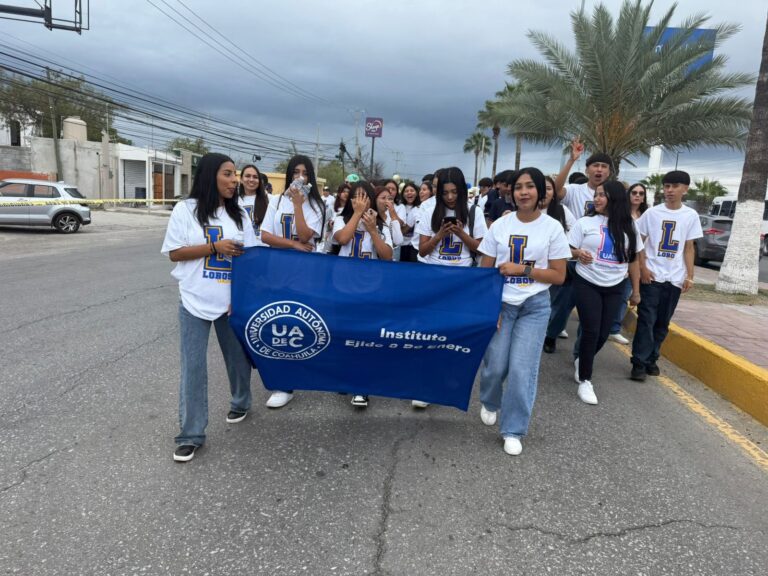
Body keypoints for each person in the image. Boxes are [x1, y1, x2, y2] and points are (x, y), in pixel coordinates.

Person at [161, 153, 258, 463]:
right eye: (228, 174)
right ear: (210, 176)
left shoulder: (240, 214)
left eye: (236, 175)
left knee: (237, 360)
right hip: (193, 299)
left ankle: (241, 401)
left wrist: (242, 297)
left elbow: (253, 261)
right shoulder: (185, 210)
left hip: (230, 302)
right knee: (193, 367)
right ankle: (191, 434)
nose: (235, 180)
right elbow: (175, 253)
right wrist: (214, 247)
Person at [477, 167, 571, 456]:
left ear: (540, 193)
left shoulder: (552, 227)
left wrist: (524, 270)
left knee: (521, 369)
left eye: (530, 186)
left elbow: (559, 276)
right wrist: (490, 308)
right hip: (502, 304)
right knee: (496, 366)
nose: (524, 192)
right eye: (519, 187)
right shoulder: (499, 227)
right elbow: (486, 269)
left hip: (535, 307)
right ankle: (490, 400)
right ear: (511, 192)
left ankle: (513, 429)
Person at [260, 155, 326, 408]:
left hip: (305, 272)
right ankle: (284, 383)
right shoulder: (275, 201)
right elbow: (266, 235)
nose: (300, 177)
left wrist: (299, 205)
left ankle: (304, 367)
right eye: (296, 172)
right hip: (278, 269)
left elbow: (309, 235)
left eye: (305, 173)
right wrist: (293, 245)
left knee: (301, 321)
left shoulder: (317, 205)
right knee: (279, 322)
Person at [569, 180, 642, 404]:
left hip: (615, 285)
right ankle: (585, 380)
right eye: (596, 195)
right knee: (591, 329)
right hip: (587, 281)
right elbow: (567, 249)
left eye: (602, 195)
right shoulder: (584, 222)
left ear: (615, 198)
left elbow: (634, 260)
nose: (597, 199)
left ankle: (583, 358)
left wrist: (636, 291)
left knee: (603, 333)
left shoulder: (629, 225)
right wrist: (578, 253)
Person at [630, 171, 702, 381]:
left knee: (662, 322)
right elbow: (639, 242)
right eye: (667, 186)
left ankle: (652, 358)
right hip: (652, 276)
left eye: (675, 186)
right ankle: (639, 363)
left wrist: (690, 275)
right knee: (646, 319)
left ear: (685, 189)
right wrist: (643, 267)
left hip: (675, 278)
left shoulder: (690, 216)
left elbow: (689, 247)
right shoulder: (652, 214)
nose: (669, 190)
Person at [543, 139, 613, 352]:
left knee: (591, 313)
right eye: (595, 166)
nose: (599, 170)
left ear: (609, 172)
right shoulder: (574, 189)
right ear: (588, 169)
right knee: (563, 304)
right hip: (572, 259)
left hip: (599, 262)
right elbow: (555, 189)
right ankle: (551, 334)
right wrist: (571, 160)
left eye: (603, 167)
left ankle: (582, 352)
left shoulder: (613, 194)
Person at [333, 183, 394, 407]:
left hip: (371, 288)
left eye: (364, 197)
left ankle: (362, 386)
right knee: (343, 333)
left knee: (365, 336)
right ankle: (345, 376)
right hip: (343, 285)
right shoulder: (340, 218)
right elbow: (342, 239)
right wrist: (357, 214)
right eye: (356, 197)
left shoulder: (381, 225)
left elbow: (387, 256)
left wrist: (373, 230)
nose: (360, 201)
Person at [608, 182, 649, 343]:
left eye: (641, 193)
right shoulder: (619, 214)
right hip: (617, 262)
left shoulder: (646, 215)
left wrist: (640, 264)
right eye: (634, 192)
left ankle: (614, 328)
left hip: (635, 263)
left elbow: (642, 244)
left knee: (624, 297)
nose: (637, 196)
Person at [237, 164, 268, 246]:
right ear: (241, 179)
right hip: (241, 249)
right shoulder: (233, 201)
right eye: (247, 176)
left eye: (255, 177)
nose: (251, 179)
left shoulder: (270, 199)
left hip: (263, 249)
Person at [399, 181, 421, 262]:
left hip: (415, 246)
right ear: (403, 194)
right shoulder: (400, 207)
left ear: (416, 193)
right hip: (402, 245)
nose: (409, 193)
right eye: (406, 191)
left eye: (412, 190)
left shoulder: (421, 207)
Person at [327, 183, 351, 255]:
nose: (346, 194)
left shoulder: (352, 209)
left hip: (347, 244)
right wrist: (329, 224)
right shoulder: (332, 208)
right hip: (333, 243)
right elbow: (325, 223)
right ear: (338, 193)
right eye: (343, 192)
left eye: (348, 192)